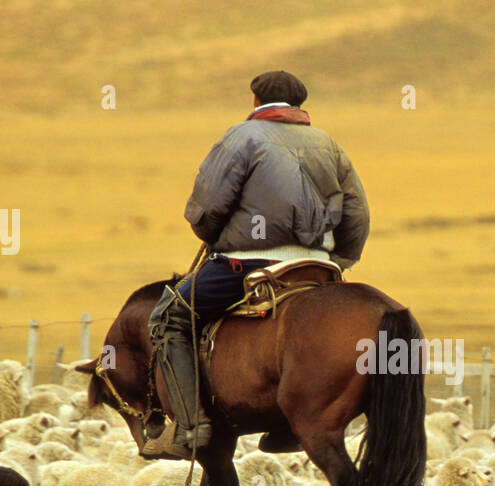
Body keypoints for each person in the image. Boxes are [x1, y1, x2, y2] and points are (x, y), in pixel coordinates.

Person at [144, 70, 370, 459]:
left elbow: (208, 205)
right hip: (317, 267)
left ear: (255, 101)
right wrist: (337, 262)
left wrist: (211, 234)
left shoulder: (241, 137)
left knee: (169, 316)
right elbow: (357, 214)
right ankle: (290, 425)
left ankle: (190, 426)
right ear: (300, 105)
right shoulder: (328, 144)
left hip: (249, 263)